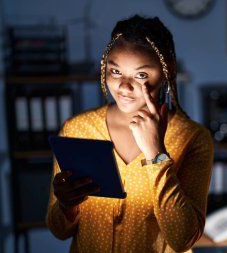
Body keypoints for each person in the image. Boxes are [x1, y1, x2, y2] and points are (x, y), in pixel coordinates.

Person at [46, 15, 214, 253]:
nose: (124, 86)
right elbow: (58, 230)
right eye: (115, 71)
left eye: (141, 75)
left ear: (165, 74)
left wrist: (156, 154)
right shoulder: (76, 130)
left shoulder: (193, 138)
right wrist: (66, 206)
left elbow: (184, 238)